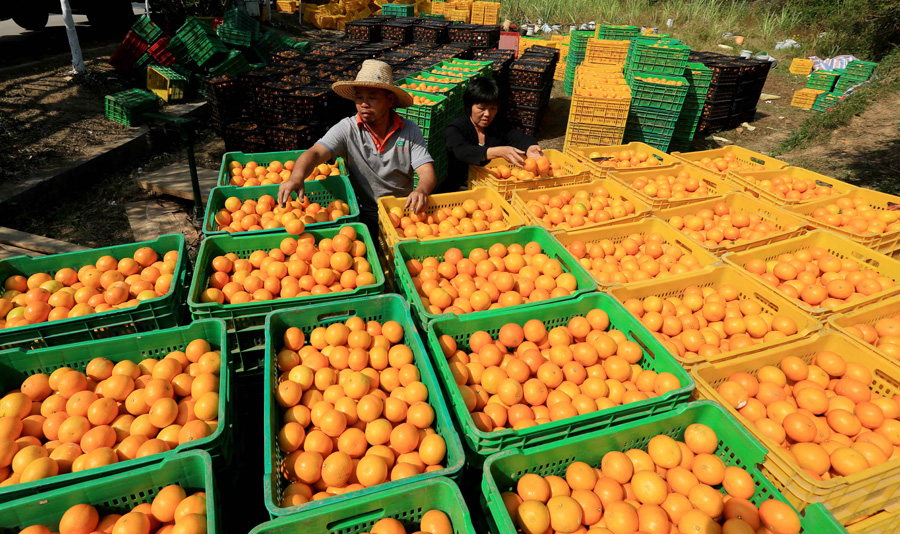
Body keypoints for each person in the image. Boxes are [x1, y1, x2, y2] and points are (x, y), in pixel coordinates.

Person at [278, 60, 438, 239]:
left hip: (403, 216)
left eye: (372, 97)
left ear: (389, 100)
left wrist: (421, 190)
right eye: (359, 97)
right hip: (365, 216)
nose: (364, 104)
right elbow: (314, 153)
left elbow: (426, 172)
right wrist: (296, 177)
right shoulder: (347, 129)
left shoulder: (409, 130)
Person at [442, 77, 543, 192]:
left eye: (492, 108)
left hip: (493, 185)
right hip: (461, 187)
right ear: (469, 106)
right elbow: (461, 150)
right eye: (481, 108)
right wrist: (497, 152)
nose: (487, 114)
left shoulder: (497, 126)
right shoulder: (456, 128)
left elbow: (516, 136)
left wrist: (530, 147)